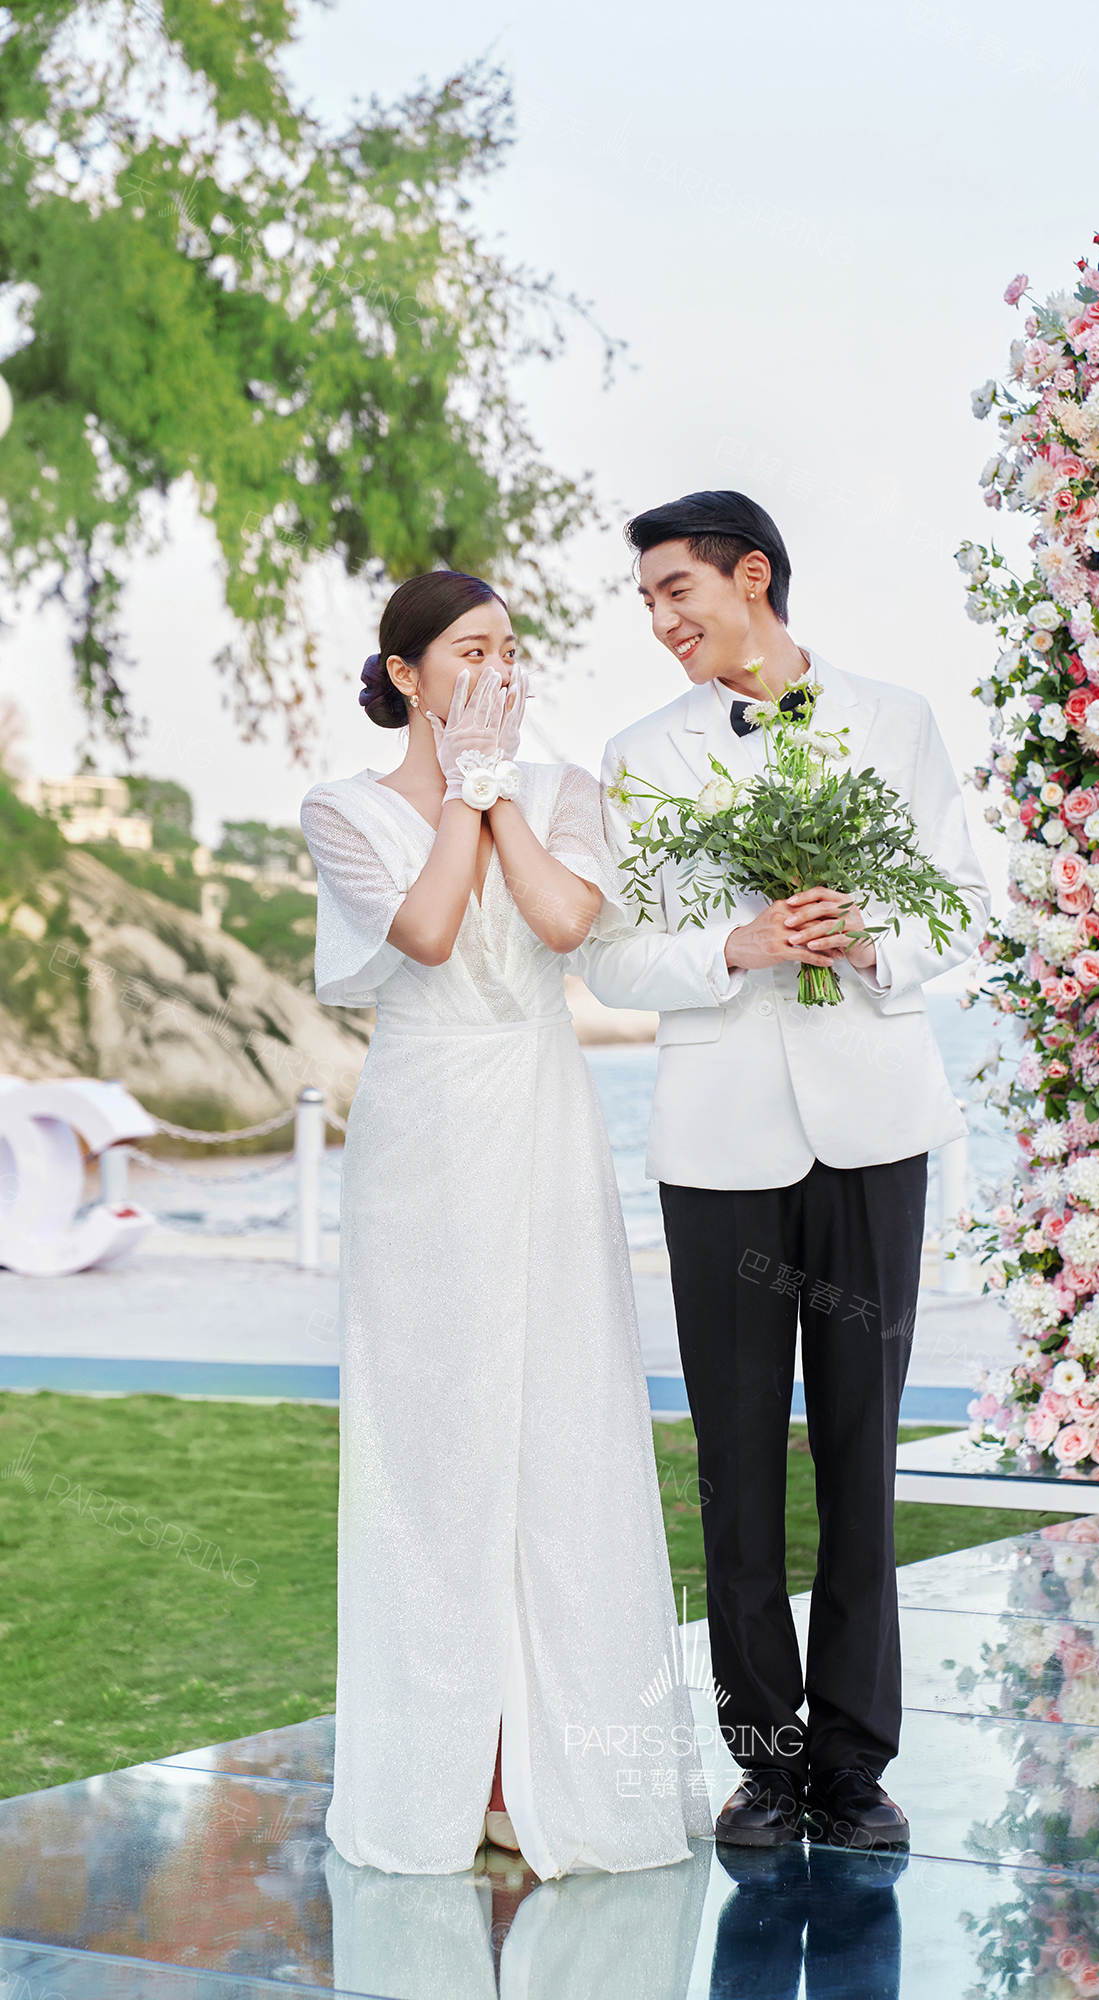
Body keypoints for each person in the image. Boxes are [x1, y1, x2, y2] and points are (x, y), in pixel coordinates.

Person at [579, 492, 990, 1851]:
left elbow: (962, 904)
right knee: (735, 1460)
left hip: (874, 1128)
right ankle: (763, 1762)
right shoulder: (639, 756)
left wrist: (866, 938)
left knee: (863, 1451)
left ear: (751, 576)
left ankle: (856, 1766)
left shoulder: (897, 720)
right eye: (647, 601)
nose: (660, 621)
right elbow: (609, 957)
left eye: (675, 592)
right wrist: (733, 949)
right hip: (718, 1146)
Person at [300, 569, 710, 1881]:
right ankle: (447, 1773)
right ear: (407, 674)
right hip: (422, 1130)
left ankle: (554, 1776)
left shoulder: (564, 790)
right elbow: (426, 931)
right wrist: (462, 796)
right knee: (437, 1436)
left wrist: (499, 794)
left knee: (558, 1423)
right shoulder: (341, 810)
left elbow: (565, 920)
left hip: (540, 1112)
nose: (498, 672)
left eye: (510, 651)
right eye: (469, 651)